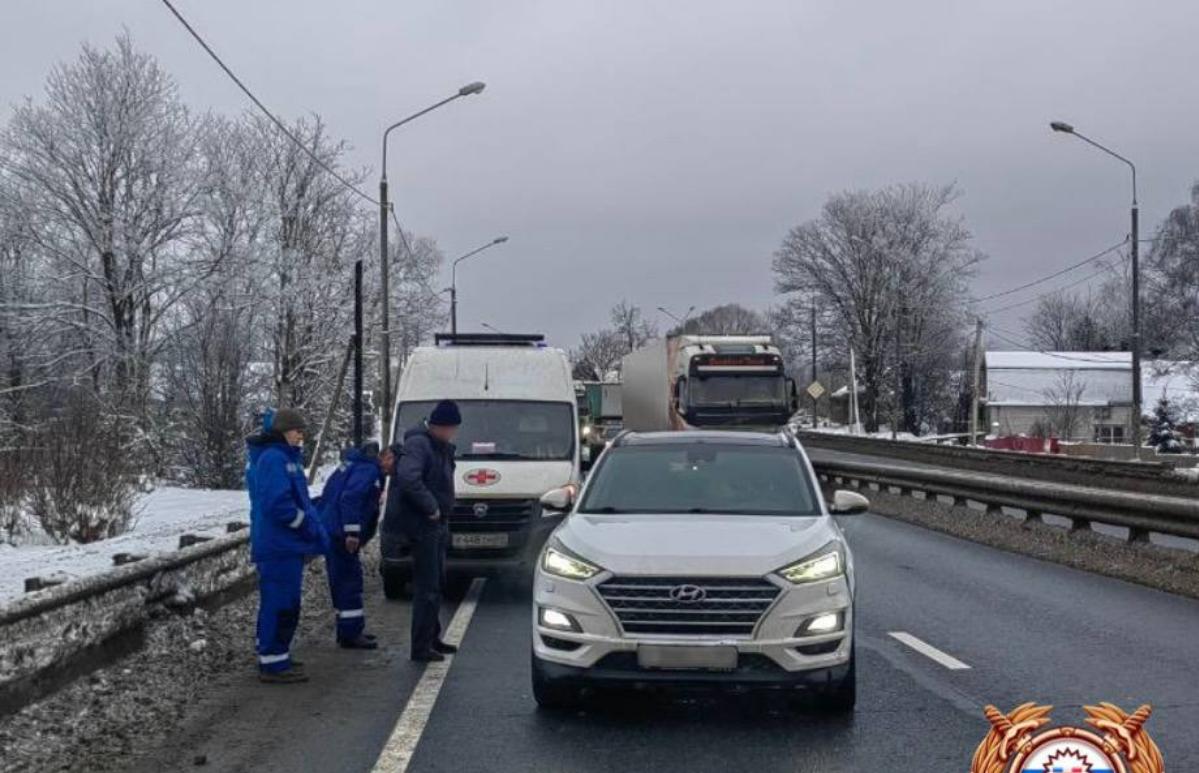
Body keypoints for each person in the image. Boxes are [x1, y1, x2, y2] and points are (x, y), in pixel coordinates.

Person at [246, 407, 329, 684]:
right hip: (278, 546)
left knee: (283, 601)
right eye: (297, 430)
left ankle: (276, 655)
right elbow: (278, 504)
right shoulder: (274, 459)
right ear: (284, 431)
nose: (300, 436)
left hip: (283, 545)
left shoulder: (283, 457)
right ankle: (272, 662)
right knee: (281, 603)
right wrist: (304, 524)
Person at [388, 399, 462, 662]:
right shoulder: (420, 444)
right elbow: (409, 478)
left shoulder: (437, 445)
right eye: (451, 428)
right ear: (441, 426)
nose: (453, 434)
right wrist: (431, 506)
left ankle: (432, 637)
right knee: (427, 587)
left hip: (436, 524)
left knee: (436, 583)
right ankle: (421, 647)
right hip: (423, 525)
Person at [318, 441, 394, 649]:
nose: (392, 470)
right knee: (349, 581)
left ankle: (349, 630)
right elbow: (350, 498)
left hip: (332, 529)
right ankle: (350, 633)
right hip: (340, 534)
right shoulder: (368, 470)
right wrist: (352, 532)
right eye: (394, 463)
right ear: (386, 457)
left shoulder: (356, 464)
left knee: (345, 579)